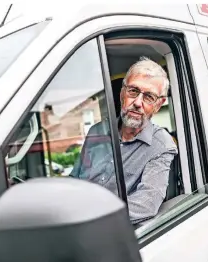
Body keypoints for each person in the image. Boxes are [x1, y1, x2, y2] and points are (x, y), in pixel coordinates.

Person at [70, 56, 178, 225]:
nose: (137, 103)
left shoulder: (162, 146)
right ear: (122, 93)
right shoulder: (97, 131)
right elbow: (75, 179)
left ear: (158, 105)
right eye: (133, 91)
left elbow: (146, 204)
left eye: (149, 97)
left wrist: (91, 215)